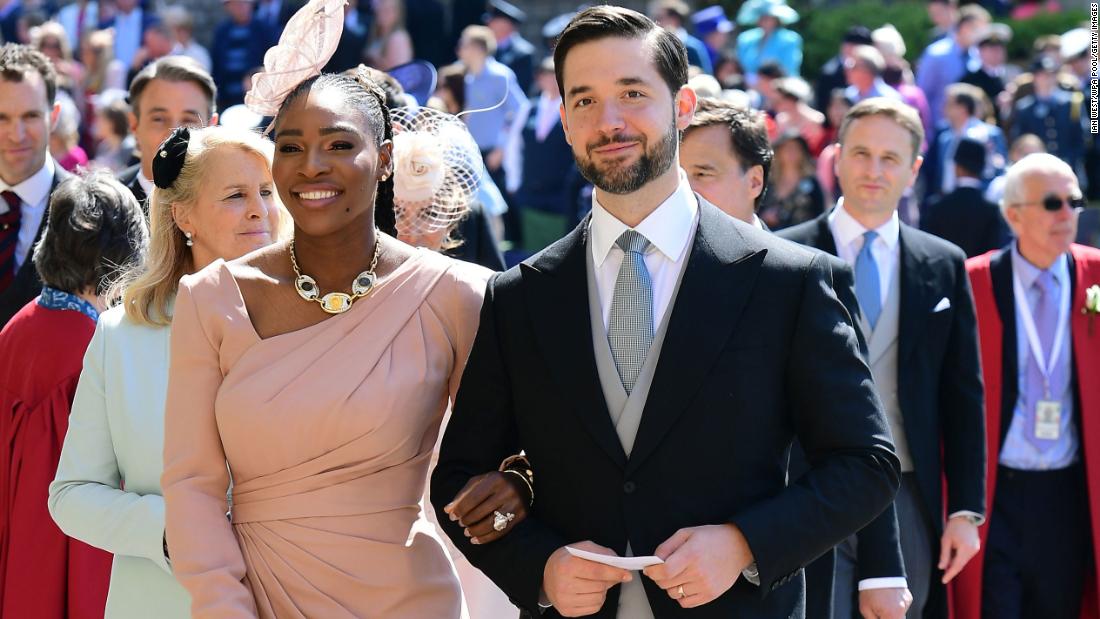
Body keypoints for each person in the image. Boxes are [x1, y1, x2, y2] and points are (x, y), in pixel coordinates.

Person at [431, 7, 901, 618]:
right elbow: (461, 477)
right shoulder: (521, 295)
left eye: (632, 93)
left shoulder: (788, 280)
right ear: (566, 122)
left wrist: (743, 545)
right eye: (585, 101)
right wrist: (538, 566)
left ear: (682, 107)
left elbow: (865, 464)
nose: (610, 121)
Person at [159, 44, 524, 614]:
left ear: (383, 159)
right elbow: (191, 485)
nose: (311, 166)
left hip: (410, 599)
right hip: (257, 599)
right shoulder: (210, 299)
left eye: (338, 145)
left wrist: (520, 484)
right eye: (291, 147)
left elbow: (522, 445)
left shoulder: (458, 293)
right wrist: (223, 603)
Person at [47, 126, 286, 619]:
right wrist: (172, 530)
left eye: (266, 191)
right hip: (163, 604)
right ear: (183, 216)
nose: (260, 208)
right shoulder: (122, 336)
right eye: (236, 195)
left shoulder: (324, 323)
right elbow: (71, 495)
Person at [778, 97, 986, 619]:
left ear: (914, 170)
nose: (874, 170)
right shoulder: (786, 257)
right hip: (809, 491)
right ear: (838, 157)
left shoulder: (943, 263)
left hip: (907, 493)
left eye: (890, 158)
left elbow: (964, 395)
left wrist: (964, 511)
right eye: (862, 153)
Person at [954, 153, 1100, 619]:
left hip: (1069, 494)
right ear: (1013, 215)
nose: (1067, 215)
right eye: (1053, 202)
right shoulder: (972, 282)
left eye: (1073, 202)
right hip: (998, 496)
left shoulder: (1096, 276)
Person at [0, 169, 147, 619]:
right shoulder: (91, 351)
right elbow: (88, 504)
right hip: (53, 573)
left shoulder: (17, 327)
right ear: (124, 258)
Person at [0, 44, 75, 327]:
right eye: (2, 118)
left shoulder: (93, 213)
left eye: (30, 116)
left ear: (53, 117)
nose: (16, 135)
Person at [116, 56, 218, 209]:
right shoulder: (104, 210)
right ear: (134, 125)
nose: (174, 133)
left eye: (189, 120)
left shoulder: (235, 206)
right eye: (159, 119)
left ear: (211, 127)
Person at [922, 138, 1011, 258]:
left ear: (956, 167)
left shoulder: (936, 207)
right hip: (978, 275)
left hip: (946, 275)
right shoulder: (992, 210)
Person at [916, 4, 990, 131]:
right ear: (964, 27)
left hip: (969, 131)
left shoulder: (977, 56)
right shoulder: (936, 54)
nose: (981, 35)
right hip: (938, 129)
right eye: (977, 29)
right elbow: (922, 95)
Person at [758, 131, 825, 230]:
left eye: (796, 148)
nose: (791, 153)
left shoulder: (811, 182)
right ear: (779, 152)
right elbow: (756, 210)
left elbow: (820, 213)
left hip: (801, 240)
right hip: (772, 237)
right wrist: (765, 216)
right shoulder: (768, 181)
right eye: (787, 148)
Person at [735, 0, 802, 84]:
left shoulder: (790, 40)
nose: (764, 20)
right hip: (748, 89)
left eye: (768, 17)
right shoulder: (746, 39)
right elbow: (739, 68)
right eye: (761, 16)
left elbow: (788, 70)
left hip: (780, 89)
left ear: (776, 19)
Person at [485, 0, 535, 96]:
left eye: (493, 21)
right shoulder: (487, 48)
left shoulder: (523, 53)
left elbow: (521, 89)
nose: (488, 24)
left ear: (505, 25)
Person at [365, 0, 413, 71]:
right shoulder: (376, 33)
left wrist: (374, 59)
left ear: (397, 13)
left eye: (388, 10)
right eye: (381, 7)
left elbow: (398, 72)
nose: (382, 12)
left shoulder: (398, 38)